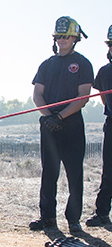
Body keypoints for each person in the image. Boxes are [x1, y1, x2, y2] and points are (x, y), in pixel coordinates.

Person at [29, 16, 94, 233]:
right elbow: (37, 94)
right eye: (59, 36)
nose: (62, 40)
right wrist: (49, 117)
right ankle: (47, 217)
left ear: (75, 38)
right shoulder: (46, 64)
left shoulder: (83, 64)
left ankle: (73, 219)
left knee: (74, 173)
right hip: (49, 125)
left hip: (72, 124)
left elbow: (83, 97)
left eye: (66, 36)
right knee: (49, 172)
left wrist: (61, 117)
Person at [85, 25, 112, 227]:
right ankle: (102, 213)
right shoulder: (104, 71)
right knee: (109, 171)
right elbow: (104, 100)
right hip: (111, 124)